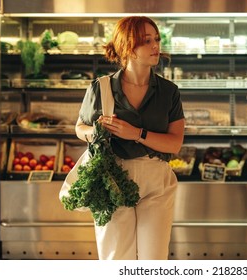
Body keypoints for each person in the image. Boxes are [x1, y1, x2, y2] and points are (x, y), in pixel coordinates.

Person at [75, 16, 185, 260]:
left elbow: (174, 143)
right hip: (113, 177)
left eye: (156, 39)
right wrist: (95, 132)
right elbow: (80, 127)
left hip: (156, 180)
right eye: (146, 41)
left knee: (153, 260)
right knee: (115, 258)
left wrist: (135, 133)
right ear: (127, 46)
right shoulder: (100, 88)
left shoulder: (169, 92)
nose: (156, 45)